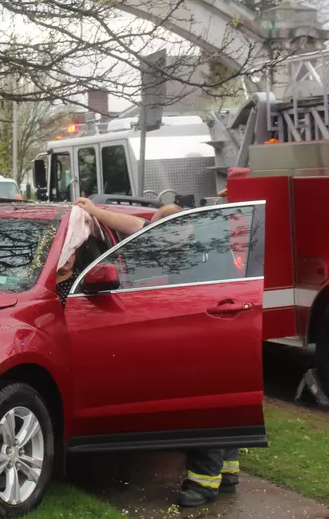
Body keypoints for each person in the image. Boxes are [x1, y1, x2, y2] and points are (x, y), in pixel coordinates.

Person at [74, 197, 240, 508]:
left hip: (206, 337)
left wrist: (95, 212)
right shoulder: (199, 239)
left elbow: (139, 227)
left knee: (202, 409)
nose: (157, 233)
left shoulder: (194, 246)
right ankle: (227, 471)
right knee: (223, 406)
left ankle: (203, 483)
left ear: (180, 226)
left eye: (163, 227)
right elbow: (137, 226)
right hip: (217, 334)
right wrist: (95, 212)